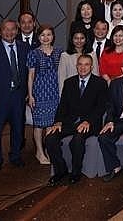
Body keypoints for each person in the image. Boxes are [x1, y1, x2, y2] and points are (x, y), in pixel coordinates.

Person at [45, 54, 108, 186]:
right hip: (70, 122)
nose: (83, 67)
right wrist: (58, 122)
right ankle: (60, 170)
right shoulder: (69, 82)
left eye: (86, 65)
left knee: (77, 140)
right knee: (50, 138)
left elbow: (101, 108)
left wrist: (88, 121)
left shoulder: (100, 83)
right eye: (80, 64)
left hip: (90, 123)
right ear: (76, 66)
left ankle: (75, 172)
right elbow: (62, 105)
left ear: (91, 67)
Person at [0, 19, 30, 172]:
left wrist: (28, 93)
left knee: (18, 128)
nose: (9, 32)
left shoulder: (24, 48)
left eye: (13, 29)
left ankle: (15, 156)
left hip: (18, 96)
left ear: (17, 31)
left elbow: (29, 72)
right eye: (6, 29)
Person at [27, 24, 63, 165]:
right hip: (39, 93)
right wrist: (30, 95)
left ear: (53, 36)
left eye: (49, 35)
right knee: (39, 125)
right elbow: (30, 75)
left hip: (55, 92)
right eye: (43, 35)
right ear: (38, 37)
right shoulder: (33, 53)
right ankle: (39, 152)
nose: (46, 38)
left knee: (51, 124)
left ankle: (49, 150)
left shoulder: (59, 52)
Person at [58, 29, 100, 93]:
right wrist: (62, 95)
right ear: (72, 39)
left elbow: (96, 74)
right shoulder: (65, 56)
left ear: (86, 39)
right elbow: (61, 79)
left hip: (90, 91)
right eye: (76, 38)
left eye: (82, 38)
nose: (79, 41)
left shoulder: (92, 54)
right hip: (71, 91)